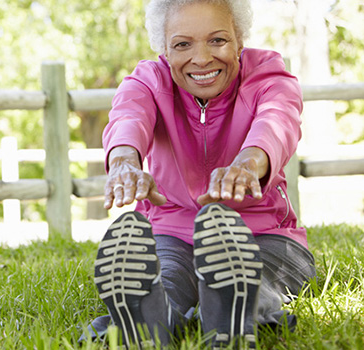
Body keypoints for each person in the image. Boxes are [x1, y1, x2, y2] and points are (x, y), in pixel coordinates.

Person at [81, 0, 317, 348]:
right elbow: (129, 116)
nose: (202, 58)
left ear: (239, 39)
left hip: (264, 234)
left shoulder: (267, 73)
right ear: (164, 48)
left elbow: (278, 119)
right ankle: (150, 320)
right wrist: (124, 162)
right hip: (170, 233)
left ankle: (231, 312)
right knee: (166, 281)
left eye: (218, 40)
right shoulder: (150, 80)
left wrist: (249, 162)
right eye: (182, 44)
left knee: (258, 280)